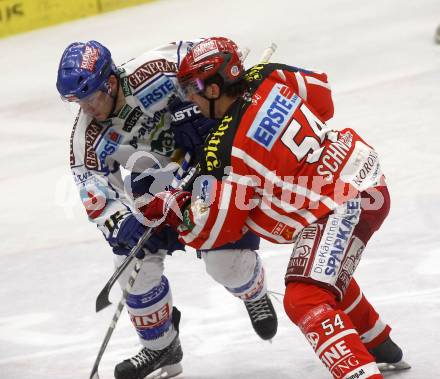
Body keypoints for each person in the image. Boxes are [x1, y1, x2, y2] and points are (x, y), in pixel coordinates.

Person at [141, 37, 410, 379]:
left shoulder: (225, 152)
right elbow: (323, 100)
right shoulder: (267, 74)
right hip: (360, 173)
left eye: (191, 88)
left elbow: (217, 229)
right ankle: (379, 344)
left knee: (304, 299)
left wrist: (178, 210)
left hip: (345, 202)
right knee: (314, 272)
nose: (189, 98)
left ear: (213, 89)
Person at [56, 39, 278, 379]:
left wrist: (205, 104)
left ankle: (254, 290)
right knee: (132, 262)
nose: (86, 108)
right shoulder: (86, 139)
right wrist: (121, 225)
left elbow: (207, 72)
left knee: (225, 264)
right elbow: (95, 191)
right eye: (77, 102)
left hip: (213, 159)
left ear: (110, 82)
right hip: (158, 183)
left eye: (90, 98)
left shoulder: (156, 69)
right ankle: (163, 347)